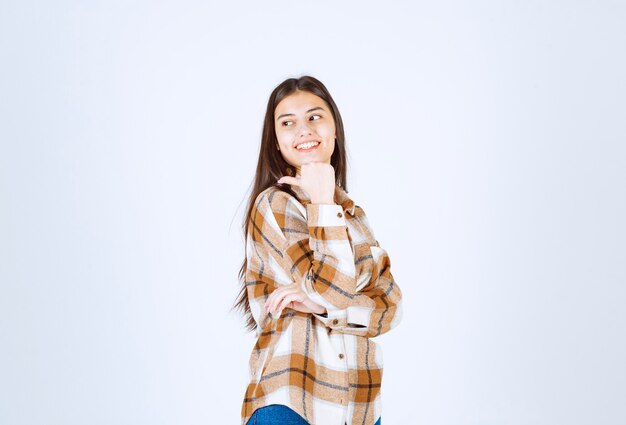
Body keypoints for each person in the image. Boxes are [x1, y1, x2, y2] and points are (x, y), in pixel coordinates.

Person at [233, 75, 403, 425]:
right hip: (291, 404)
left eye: (315, 117)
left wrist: (318, 304)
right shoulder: (275, 206)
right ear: (276, 142)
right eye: (288, 123)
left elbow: (391, 309)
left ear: (334, 130)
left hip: (360, 409)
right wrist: (322, 200)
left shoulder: (354, 218)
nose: (304, 130)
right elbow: (336, 293)